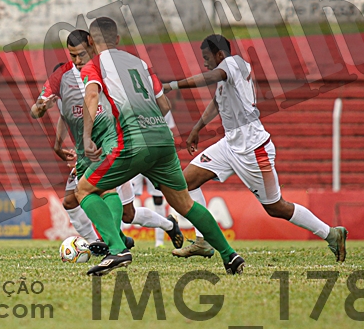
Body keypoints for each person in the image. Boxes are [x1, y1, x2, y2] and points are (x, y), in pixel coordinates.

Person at [76, 17, 244, 276]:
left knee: (85, 189)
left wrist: (87, 137)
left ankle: (117, 249)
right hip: (162, 139)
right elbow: (164, 105)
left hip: (133, 141)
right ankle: (229, 254)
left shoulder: (94, 64)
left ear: (89, 40)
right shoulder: (140, 63)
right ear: (117, 39)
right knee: (185, 203)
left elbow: (91, 95)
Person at [163, 34, 348, 262]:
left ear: (219, 54)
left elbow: (211, 76)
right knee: (185, 183)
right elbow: (217, 101)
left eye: (207, 58)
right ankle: (203, 240)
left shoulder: (233, 63)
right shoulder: (228, 73)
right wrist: (197, 128)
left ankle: (331, 234)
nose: (205, 63)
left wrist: (173, 85)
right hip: (230, 145)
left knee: (276, 207)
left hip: (253, 149)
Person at [31, 30, 183, 252]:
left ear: (91, 46)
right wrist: (42, 110)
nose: (78, 60)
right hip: (86, 152)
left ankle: (110, 241)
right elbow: (47, 112)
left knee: (105, 192)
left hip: (115, 145)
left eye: (82, 54)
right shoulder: (62, 77)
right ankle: (103, 240)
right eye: (73, 55)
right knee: (80, 203)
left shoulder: (108, 70)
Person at [130, 174, 168, 248]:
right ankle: (119, 238)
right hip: (134, 167)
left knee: (158, 200)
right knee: (126, 197)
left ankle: (159, 241)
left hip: (152, 167)